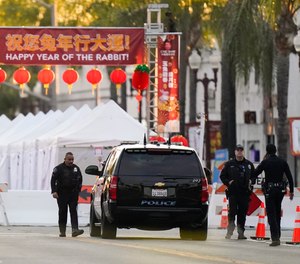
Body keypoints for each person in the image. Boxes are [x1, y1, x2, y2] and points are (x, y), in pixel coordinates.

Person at [252, 144, 294, 247]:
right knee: (277, 212)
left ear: (267, 151)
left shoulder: (265, 162)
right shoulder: (282, 162)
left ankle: (275, 238)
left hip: (270, 191)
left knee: (271, 214)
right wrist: (291, 191)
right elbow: (290, 177)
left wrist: (250, 180)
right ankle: (278, 235)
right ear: (275, 151)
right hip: (280, 190)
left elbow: (255, 173)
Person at [220, 144, 255, 239]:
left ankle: (241, 233)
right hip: (233, 193)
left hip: (244, 193)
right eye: (238, 150)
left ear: (243, 151)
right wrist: (228, 182)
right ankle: (229, 232)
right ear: (235, 152)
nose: (239, 152)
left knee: (242, 214)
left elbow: (254, 176)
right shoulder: (229, 164)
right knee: (232, 213)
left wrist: (252, 182)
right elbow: (222, 176)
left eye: (241, 150)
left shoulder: (248, 164)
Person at [51, 152, 84, 237]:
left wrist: (78, 190)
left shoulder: (76, 168)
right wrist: (54, 191)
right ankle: (62, 231)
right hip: (61, 194)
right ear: (65, 159)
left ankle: (75, 230)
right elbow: (53, 180)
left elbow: (80, 180)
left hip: (73, 194)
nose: (71, 161)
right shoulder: (58, 169)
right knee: (63, 212)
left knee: (73, 211)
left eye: (72, 159)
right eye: (69, 159)